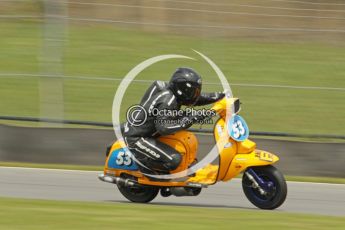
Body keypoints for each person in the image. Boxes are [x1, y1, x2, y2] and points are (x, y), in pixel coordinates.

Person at [123, 67, 225, 175]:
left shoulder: (174, 94)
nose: (196, 94)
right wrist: (190, 119)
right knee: (174, 160)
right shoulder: (168, 101)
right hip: (138, 138)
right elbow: (163, 128)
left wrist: (219, 96)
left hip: (151, 133)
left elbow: (197, 99)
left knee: (186, 131)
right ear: (183, 90)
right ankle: (142, 165)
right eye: (194, 91)